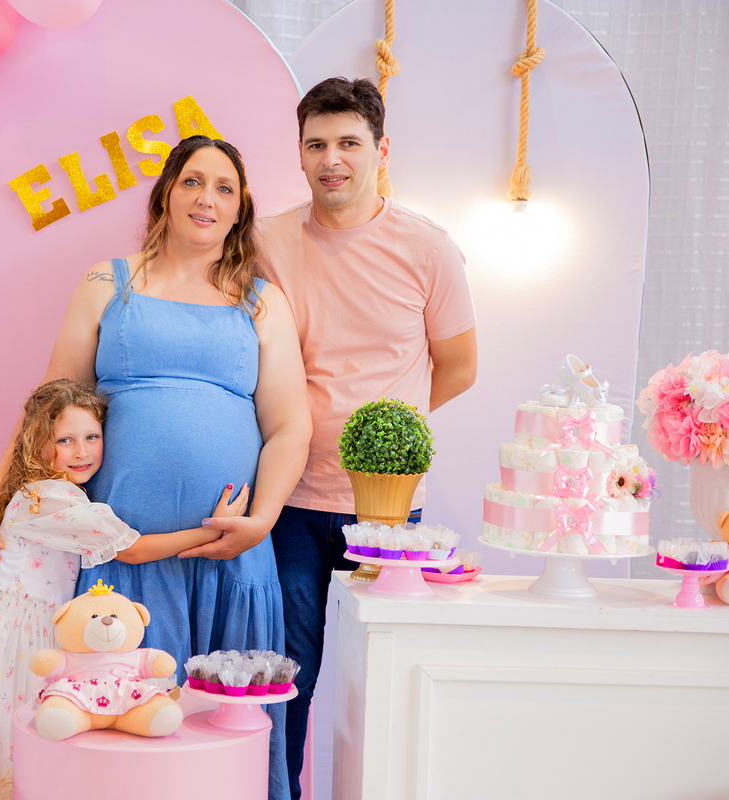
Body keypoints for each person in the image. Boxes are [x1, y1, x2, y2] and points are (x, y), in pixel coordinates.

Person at [0, 137, 312, 800]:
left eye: (224, 188)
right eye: (192, 182)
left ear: (240, 210)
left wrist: (261, 520)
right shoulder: (108, 282)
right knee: (118, 736)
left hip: (229, 559)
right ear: (165, 194)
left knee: (220, 739)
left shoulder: (262, 302)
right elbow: (52, 399)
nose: (206, 198)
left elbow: (291, 424)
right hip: (119, 564)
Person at [256, 77, 478, 800]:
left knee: (378, 672)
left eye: (349, 143)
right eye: (317, 144)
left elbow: (460, 367)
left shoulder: (428, 247)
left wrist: (390, 433)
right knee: (287, 672)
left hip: (385, 515)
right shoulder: (266, 243)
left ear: (380, 151)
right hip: (287, 500)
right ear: (298, 153)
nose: (332, 160)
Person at [0, 378, 247, 797]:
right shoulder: (53, 498)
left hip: (7, 625)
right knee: (17, 737)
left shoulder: (47, 492)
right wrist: (209, 532)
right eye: (65, 440)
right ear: (38, 446)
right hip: (18, 636)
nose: (81, 451)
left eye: (92, 437)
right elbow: (131, 550)